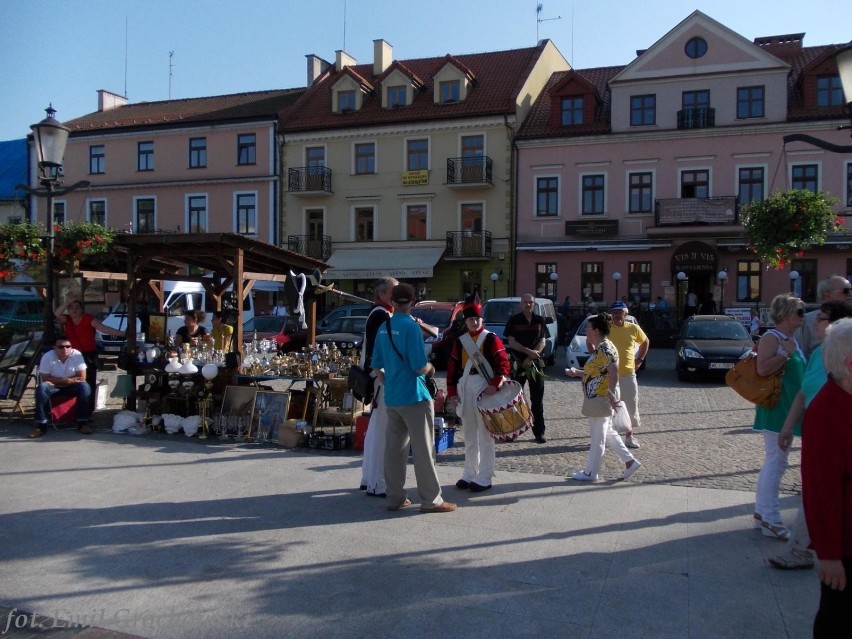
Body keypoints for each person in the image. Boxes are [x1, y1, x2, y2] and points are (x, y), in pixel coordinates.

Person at [771, 300, 852, 570]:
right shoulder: (820, 354)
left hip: (835, 430)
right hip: (820, 430)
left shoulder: (834, 353)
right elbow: (804, 391)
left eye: (822, 318)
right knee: (816, 493)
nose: (815, 322)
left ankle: (806, 549)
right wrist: (788, 426)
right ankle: (806, 549)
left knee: (821, 495)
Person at [372, 283, 456, 513]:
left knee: (394, 450)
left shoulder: (384, 326)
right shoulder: (411, 327)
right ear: (412, 302)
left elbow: (376, 366)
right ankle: (431, 500)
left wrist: (389, 381)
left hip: (394, 397)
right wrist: (430, 369)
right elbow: (419, 365)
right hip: (415, 396)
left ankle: (395, 497)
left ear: (392, 302)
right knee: (424, 450)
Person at [801, 317, 852, 637]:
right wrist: (829, 555)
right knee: (838, 618)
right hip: (845, 549)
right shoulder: (827, 412)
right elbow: (821, 491)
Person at [752, 294, 806, 540]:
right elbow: (762, 368)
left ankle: (763, 513)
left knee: (776, 461)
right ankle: (771, 518)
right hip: (777, 408)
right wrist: (785, 354)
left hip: (787, 408)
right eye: (800, 312)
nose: (803, 316)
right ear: (786, 314)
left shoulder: (790, 338)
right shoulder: (772, 338)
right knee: (776, 462)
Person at [565, 313, 641, 482]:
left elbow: (613, 370)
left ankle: (591, 473)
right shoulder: (602, 348)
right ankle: (629, 461)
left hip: (601, 397)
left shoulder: (605, 348)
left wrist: (612, 394)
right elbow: (599, 371)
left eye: (588, 328)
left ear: (596, 331)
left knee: (597, 437)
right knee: (608, 433)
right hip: (598, 396)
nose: (586, 330)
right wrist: (578, 373)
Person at [446, 295, 511, 491]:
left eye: (477, 319)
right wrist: (451, 391)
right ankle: (469, 472)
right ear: (465, 321)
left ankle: (485, 476)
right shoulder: (461, 341)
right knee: (469, 434)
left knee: (485, 434)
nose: (474, 322)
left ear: (482, 319)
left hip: (485, 386)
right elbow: (452, 367)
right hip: (465, 386)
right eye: (470, 319)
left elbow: (504, 365)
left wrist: (495, 384)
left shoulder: (491, 339)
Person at [358, 276, 398, 497]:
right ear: (382, 294)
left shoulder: (382, 313)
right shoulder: (381, 315)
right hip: (382, 377)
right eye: (393, 291)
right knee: (383, 431)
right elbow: (378, 351)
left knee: (375, 429)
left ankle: (369, 477)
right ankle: (378, 482)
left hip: (378, 376)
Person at [55, 294, 126, 411]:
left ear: (82, 309)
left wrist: (121, 334)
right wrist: (66, 303)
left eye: (77, 307)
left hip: (88, 355)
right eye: (71, 308)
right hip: (72, 356)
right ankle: (73, 409)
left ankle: (88, 411)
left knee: (89, 383)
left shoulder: (88, 318)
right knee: (73, 382)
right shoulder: (67, 320)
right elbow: (57, 313)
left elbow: (102, 328)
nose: (74, 310)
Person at [503, 294, 548, 443]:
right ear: (520, 304)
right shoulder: (513, 320)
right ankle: (513, 431)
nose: (528, 304)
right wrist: (527, 353)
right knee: (514, 400)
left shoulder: (539, 320)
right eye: (525, 302)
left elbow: (543, 341)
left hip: (535, 364)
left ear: (534, 304)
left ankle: (539, 433)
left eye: (531, 302)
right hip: (518, 364)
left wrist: (530, 357)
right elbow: (511, 342)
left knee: (537, 400)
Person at [28, 339, 92, 438]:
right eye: (61, 347)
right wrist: (68, 380)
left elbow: (82, 377)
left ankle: (82, 422)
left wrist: (64, 381)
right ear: (55, 348)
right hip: (54, 386)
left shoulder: (77, 355)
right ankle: (41, 424)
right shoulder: (47, 356)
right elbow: (45, 378)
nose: (65, 349)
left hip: (69, 386)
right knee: (42, 388)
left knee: (85, 386)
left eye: (68, 346)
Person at [607, 300, 649, 448]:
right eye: (614, 312)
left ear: (625, 314)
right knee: (610, 405)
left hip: (628, 373)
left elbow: (645, 342)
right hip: (609, 374)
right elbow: (593, 340)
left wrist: (640, 359)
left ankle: (629, 436)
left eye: (619, 312)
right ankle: (610, 435)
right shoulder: (606, 328)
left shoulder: (633, 328)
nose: (617, 315)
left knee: (630, 404)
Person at [797, 275, 852, 357]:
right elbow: (802, 352)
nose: (850, 294)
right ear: (827, 295)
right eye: (846, 291)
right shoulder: (807, 321)